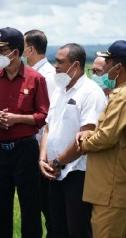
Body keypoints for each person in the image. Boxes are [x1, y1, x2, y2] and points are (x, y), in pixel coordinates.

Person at [0, 27, 49, 238]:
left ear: (16, 52)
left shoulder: (35, 79)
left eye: (1, 50)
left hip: (25, 150)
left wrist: (17, 119)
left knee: (30, 208)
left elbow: (43, 116)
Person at [39, 43, 107, 238]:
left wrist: (58, 161)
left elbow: (85, 138)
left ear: (75, 65)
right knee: (58, 228)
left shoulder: (90, 92)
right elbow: (48, 127)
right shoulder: (60, 90)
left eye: (60, 62)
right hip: (55, 172)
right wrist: (43, 160)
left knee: (77, 230)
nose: (55, 66)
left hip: (77, 173)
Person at [75, 40, 126, 238]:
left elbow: (106, 136)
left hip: (111, 189)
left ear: (118, 67)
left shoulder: (121, 96)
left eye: (108, 63)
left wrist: (83, 141)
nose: (104, 69)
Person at [24, 29, 56, 238]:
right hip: (35, 150)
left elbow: (49, 118)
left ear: (30, 49)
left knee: (49, 208)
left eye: (22, 46)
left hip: (43, 152)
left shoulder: (47, 76)